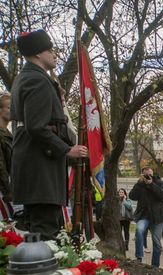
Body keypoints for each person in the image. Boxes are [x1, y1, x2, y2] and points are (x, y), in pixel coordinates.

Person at [10, 30, 88, 240]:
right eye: (49, 50)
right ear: (37, 53)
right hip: (41, 166)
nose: (54, 55)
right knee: (45, 233)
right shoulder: (37, 80)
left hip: (34, 164)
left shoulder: (26, 77)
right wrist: (66, 149)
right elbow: (37, 126)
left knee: (37, 231)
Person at [129, 167, 163, 267]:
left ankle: (155, 265)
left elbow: (162, 195)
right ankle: (139, 257)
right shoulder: (140, 184)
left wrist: (151, 184)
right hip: (144, 215)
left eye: (150, 175)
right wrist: (139, 183)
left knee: (157, 243)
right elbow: (132, 196)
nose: (149, 177)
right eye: (146, 175)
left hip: (157, 217)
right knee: (139, 230)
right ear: (142, 175)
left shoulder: (159, 182)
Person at [0, 93, 13, 220]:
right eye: (9, 107)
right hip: (2, 191)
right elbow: (0, 166)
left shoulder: (9, 134)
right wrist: (8, 192)